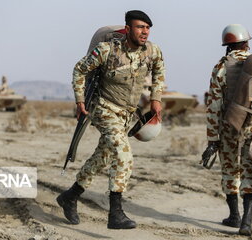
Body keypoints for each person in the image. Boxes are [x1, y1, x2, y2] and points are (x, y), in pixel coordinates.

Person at [56, 10, 165, 229]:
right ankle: (116, 214)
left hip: (126, 114)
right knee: (123, 155)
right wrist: (80, 101)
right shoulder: (107, 50)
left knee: (102, 157)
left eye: (147, 28)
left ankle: (70, 196)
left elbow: (160, 70)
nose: (144, 32)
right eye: (139, 27)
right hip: (104, 109)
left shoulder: (152, 51)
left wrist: (156, 99)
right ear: (127, 29)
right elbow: (79, 70)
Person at [204, 24, 252, 236]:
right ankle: (247, 222)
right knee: (249, 172)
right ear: (246, 43)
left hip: (229, 127)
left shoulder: (222, 67)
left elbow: (214, 105)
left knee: (230, 170)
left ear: (227, 44)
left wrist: (212, 138)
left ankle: (234, 216)